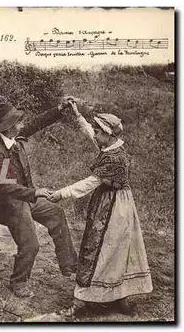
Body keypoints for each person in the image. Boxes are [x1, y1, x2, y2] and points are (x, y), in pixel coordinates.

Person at [48, 101, 152, 316]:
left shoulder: (114, 157)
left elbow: (90, 183)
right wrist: (77, 115)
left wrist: (61, 194)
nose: (94, 135)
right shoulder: (112, 146)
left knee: (102, 250)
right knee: (113, 250)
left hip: (114, 209)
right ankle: (111, 296)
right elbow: (90, 134)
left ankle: (86, 299)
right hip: (113, 203)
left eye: (98, 132)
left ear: (108, 134)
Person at [0, 99, 78, 298]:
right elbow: (4, 186)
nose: (21, 125)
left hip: (24, 198)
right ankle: (18, 283)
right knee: (31, 245)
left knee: (56, 212)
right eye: (17, 123)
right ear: (8, 128)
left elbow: (36, 124)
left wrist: (58, 109)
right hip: (9, 204)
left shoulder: (14, 137)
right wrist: (35, 193)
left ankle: (69, 265)